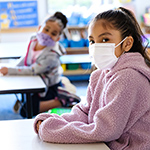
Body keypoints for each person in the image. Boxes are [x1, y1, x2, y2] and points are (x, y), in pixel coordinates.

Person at [33, 7, 150, 149]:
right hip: (107, 143)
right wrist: (53, 120)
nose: (96, 46)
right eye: (92, 41)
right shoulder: (100, 74)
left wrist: (51, 129)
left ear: (127, 43)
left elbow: (105, 130)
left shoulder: (129, 77)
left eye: (105, 39)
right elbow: (85, 112)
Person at [0, 12, 81, 118]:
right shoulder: (33, 39)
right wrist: (12, 67)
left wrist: (10, 70)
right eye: (46, 29)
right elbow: (26, 58)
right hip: (34, 79)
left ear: (57, 38)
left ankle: (62, 100)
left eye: (53, 33)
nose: (48, 34)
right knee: (25, 93)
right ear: (39, 28)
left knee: (25, 111)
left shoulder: (52, 54)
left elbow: (34, 70)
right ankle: (25, 101)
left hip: (49, 86)